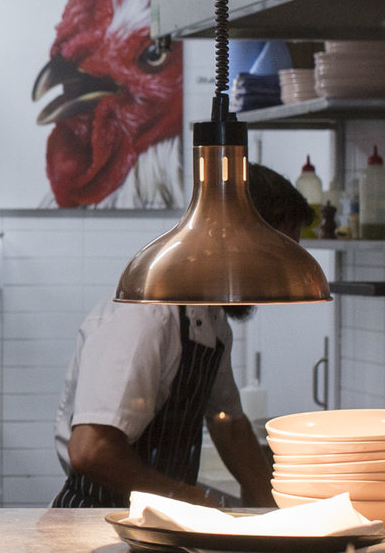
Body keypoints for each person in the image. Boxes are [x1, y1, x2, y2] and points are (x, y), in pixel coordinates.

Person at [50, 161, 314, 510]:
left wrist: (273, 511)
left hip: (158, 521)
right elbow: (91, 450)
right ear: (235, 241)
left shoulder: (210, 320)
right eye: (275, 262)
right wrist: (179, 495)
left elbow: (229, 425)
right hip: (97, 522)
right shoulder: (148, 317)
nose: (277, 282)